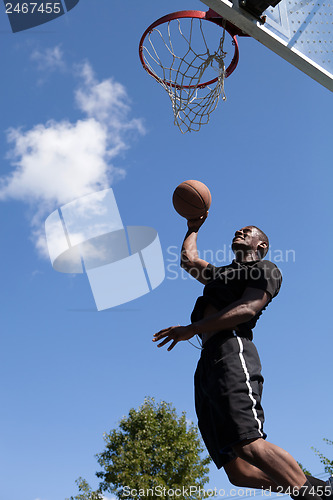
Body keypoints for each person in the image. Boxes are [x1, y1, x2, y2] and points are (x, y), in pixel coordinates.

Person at [153, 217, 331, 499]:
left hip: (232, 349)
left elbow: (248, 308)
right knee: (238, 471)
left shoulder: (265, 268)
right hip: (207, 362)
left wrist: (192, 329)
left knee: (249, 443)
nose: (239, 230)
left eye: (247, 231)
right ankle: (322, 490)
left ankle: (313, 496)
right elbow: (189, 260)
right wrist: (193, 225)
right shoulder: (223, 274)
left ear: (261, 245)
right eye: (239, 229)